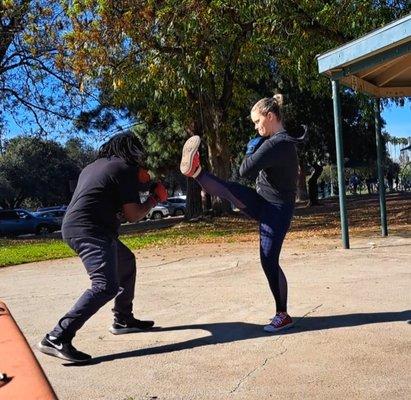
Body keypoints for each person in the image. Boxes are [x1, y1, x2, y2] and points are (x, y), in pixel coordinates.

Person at [38, 132, 168, 362]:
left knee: (126, 261)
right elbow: (134, 215)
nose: (140, 159)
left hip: (77, 226)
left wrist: (144, 183)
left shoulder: (93, 167)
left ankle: (123, 319)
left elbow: (109, 192)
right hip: (91, 230)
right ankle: (57, 336)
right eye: (139, 153)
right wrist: (154, 199)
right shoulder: (124, 168)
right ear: (132, 151)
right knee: (105, 285)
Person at [180, 95, 305, 333]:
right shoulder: (277, 140)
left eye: (257, 122)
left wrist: (253, 149)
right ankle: (196, 171)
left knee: (268, 260)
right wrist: (258, 145)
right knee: (229, 192)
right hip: (264, 202)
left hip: (277, 210)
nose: (256, 127)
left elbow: (245, 169)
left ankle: (283, 314)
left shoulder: (277, 143)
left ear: (270, 116)